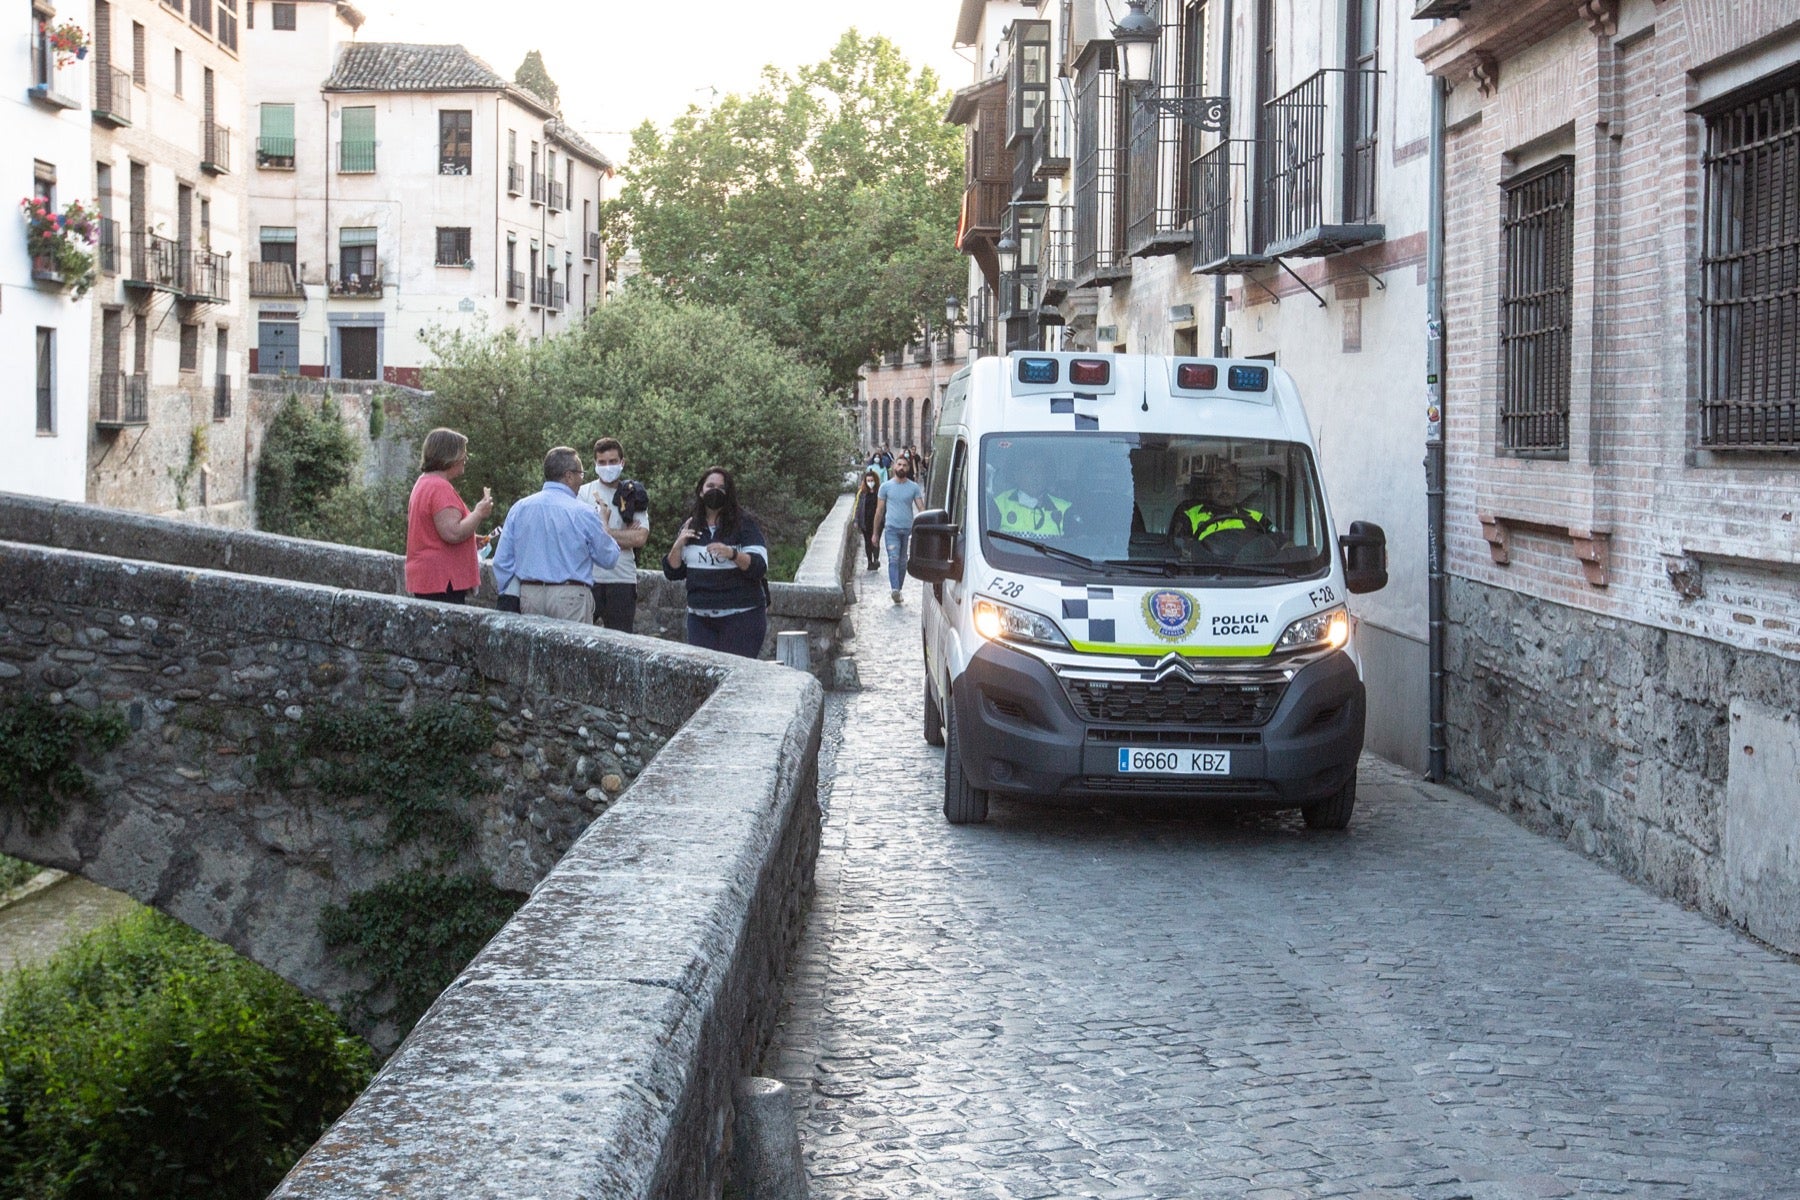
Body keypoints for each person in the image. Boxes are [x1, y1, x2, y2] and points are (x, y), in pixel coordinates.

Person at [493, 447, 621, 623]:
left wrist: (512, 592)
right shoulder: (584, 512)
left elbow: (502, 560)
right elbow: (609, 558)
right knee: (573, 650)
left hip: (529, 595)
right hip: (570, 598)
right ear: (569, 476)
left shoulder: (520, 508)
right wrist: (604, 523)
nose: (581, 480)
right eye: (580, 474)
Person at [664, 466, 769, 657]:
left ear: (728, 493)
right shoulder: (692, 525)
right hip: (700, 620)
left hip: (742, 618)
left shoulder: (745, 525)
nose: (715, 491)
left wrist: (732, 554)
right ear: (701, 491)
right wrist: (678, 545)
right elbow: (673, 572)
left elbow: (759, 567)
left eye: (721, 488)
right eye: (710, 486)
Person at [405, 427, 492, 603]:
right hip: (442, 580)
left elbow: (432, 530)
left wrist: (471, 539)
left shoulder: (424, 482)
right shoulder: (439, 487)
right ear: (450, 456)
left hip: (428, 577)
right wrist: (478, 513)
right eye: (463, 454)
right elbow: (452, 533)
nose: (465, 459)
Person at [576, 436, 650, 632]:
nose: (607, 466)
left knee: (621, 643)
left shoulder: (633, 494)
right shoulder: (583, 493)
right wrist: (622, 536)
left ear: (622, 462)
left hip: (622, 580)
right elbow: (579, 537)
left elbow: (640, 537)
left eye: (612, 462)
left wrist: (606, 531)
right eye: (602, 462)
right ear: (595, 464)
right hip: (587, 579)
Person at [1175, 460, 1273, 548]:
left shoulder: (1256, 519)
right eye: (1218, 483)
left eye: (1230, 483)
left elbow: (1282, 543)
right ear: (1209, 489)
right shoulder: (1189, 516)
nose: (1224, 490)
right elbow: (1179, 550)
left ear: (1236, 488)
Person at [873, 456, 925, 603]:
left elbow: (921, 507)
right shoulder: (885, 487)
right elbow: (879, 510)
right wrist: (875, 533)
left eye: (904, 465)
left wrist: (925, 525)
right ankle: (894, 589)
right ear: (894, 466)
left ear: (908, 469)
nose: (901, 467)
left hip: (908, 530)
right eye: (899, 464)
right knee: (893, 559)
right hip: (891, 529)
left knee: (903, 562)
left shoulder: (913, 487)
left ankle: (899, 590)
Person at [853, 469, 882, 571]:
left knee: (876, 540)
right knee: (868, 541)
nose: (870, 483)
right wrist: (856, 520)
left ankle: (876, 559)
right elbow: (857, 507)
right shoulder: (862, 493)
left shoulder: (879, 492)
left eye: (872, 480)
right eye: (868, 480)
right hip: (865, 520)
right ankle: (870, 561)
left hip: (877, 521)